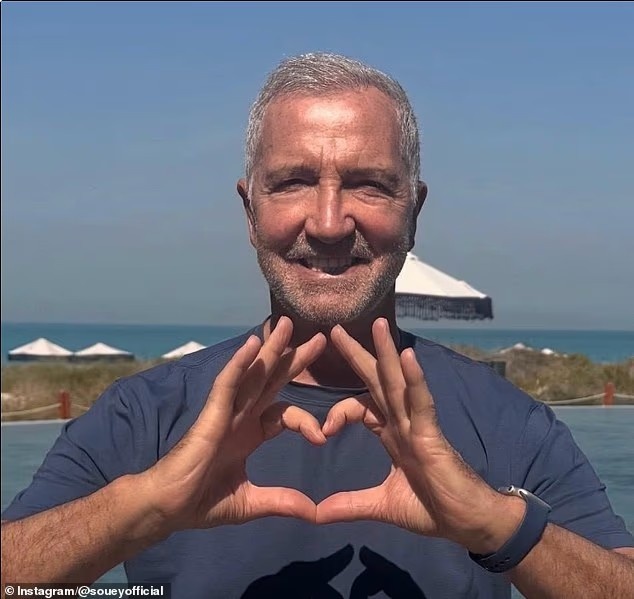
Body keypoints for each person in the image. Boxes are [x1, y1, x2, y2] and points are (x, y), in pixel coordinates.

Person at [2, 52, 633, 598]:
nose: (329, 223)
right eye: (294, 182)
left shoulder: (509, 422)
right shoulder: (144, 413)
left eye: (369, 185)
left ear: (414, 212)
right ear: (250, 211)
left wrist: (498, 526)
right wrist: (141, 507)